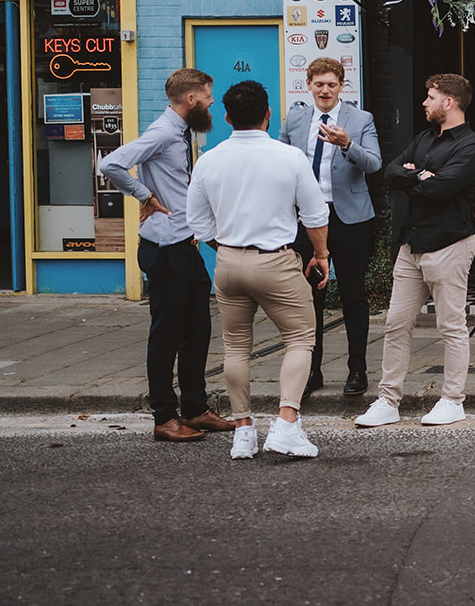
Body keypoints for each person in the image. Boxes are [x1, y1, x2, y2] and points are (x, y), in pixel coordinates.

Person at [186, 80, 330, 459]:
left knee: (235, 345)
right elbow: (315, 215)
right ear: (268, 114)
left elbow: (198, 224)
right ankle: (285, 424)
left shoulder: (209, 160)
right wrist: (321, 254)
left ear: (227, 117)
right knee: (300, 338)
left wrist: (228, 248)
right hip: (277, 261)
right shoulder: (289, 157)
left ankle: (244, 431)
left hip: (229, 262)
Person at [98, 67, 235, 443]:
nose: (211, 100)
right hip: (164, 249)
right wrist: (145, 196)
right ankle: (164, 416)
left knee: (198, 331)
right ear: (191, 99)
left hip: (185, 245)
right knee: (166, 334)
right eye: (207, 95)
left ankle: (195, 409)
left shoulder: (182, 131)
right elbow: (109, 163)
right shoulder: (162, 132)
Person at [355, 74, 475, 429]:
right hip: (411, 245)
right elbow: (391, 173)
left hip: (449, 244)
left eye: (431, 97)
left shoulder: (470, 147)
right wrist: (418, 176)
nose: (424, 103)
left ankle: (452, 400)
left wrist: (420, 179)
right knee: (396, 323)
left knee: (451, 325)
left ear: (450, 102)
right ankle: (388, 400)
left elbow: (440, 190)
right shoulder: (425, 138)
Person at [279, 57, 381, 397]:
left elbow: (375, 164)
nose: (325, 90)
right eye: (319, 84)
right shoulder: (294, 119)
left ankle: (357, 371)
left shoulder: (360, 119)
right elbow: (280, 166)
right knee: (308, 299)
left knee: (353, 296)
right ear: (308, 84)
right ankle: (311, 372)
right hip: (306, 219)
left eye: (332, 84)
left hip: (349, 217)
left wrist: (347, 144)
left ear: (342, 87)